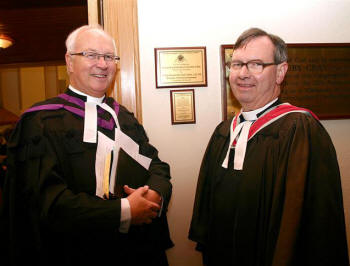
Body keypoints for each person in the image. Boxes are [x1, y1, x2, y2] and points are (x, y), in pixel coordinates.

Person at [1, 25, 173, 266]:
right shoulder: (39, 123)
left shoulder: (123, 118)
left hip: (136, 252)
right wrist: (124, 211)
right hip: (74, 253)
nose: (102, 64)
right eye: (91, 55)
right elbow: (46, 204)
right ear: (69, 61)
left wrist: (155, 194)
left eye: (109, 57)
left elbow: (157, 166)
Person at [189, 28, 349, 266]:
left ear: (280, 72)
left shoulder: (300, 131)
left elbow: (317, 223)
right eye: (236, 64)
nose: (243, 74)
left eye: (255, 64)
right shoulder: (223, 132)